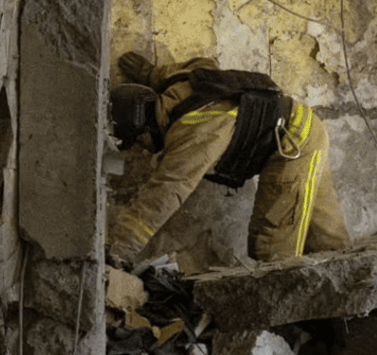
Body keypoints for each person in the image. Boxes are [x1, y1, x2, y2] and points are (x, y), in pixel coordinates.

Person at [105, 53, 351, 267]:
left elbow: (165, 193)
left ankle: (287, 307)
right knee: (327, 237)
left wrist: (120, 248)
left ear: (144, 129)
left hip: (291, 145)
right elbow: (204, 64)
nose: (144, 149)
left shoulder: (192, 133)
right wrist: (150, 73)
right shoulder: (179, 83)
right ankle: (350, 295)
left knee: (273, 250)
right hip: (306, 125)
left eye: (139, 141)